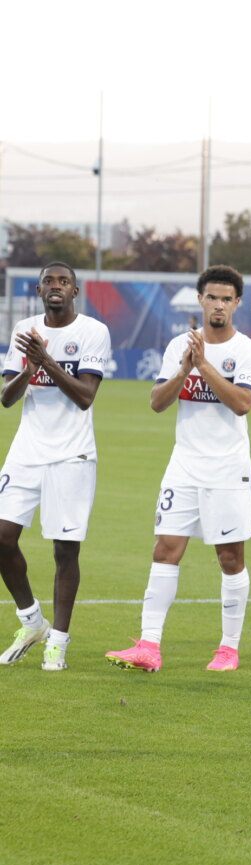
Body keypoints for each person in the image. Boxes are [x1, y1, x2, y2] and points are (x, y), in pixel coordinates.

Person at [106, 265, 251, 672]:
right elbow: (158, 402)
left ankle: (229, 649)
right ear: (200, 299)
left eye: (226, 299)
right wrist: (184, 369)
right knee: (165, 550)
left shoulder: (247, 351)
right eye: (212, 297)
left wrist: (205, 366)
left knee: (230, 557)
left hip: (229, 470)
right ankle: (148, 646)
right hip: (184, 467)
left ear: (237, 304)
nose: (219, 305)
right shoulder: (180, 344)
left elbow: (243, 403)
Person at [0, 263, 111, 671]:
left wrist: (45, 360)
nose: (56, 287)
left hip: (72, 455)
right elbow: (7, 399)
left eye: (63, 282)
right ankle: (32, 622)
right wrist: (28, 372)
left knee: (65, 551)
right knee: (2, 536)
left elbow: (85, 396)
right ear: (39, 289)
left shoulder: (93, 332)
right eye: (49, 281)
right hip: (26, 452)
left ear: (75, 291)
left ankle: (58, 644)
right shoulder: (25, 330)